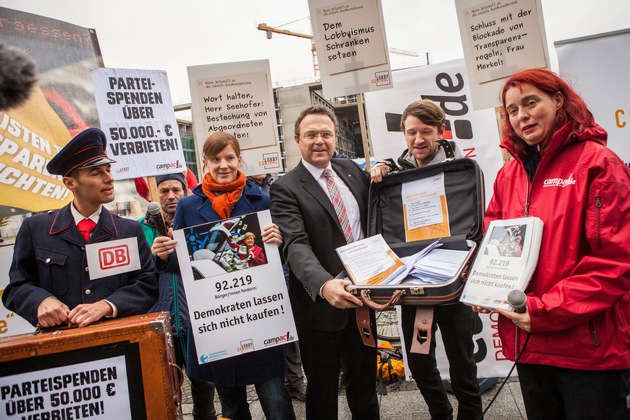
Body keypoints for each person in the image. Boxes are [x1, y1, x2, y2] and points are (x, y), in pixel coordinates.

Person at [473, 68, 630, 419]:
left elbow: (616, 262)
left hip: (588, 351)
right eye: (512, 110)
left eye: (531, 102)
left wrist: (546, 310)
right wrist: (484, 287)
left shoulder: (599, 164)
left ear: (558, 101)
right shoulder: (509, 174)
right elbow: (495, 239)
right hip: (529, 345)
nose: (521, 115)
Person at [151, 132, 295, 420]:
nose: (223, 165)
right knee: (232, 408)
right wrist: (165, 256)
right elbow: (185, 266)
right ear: (205, 163)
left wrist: (279, 240)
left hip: (258, 318)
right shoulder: (188, 206)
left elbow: (280, 258)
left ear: (239, 159)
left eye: (229, 158)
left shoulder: (262, 200)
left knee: (277, 404)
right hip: (219, 323)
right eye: (216, 159)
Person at [370, 99, 483, 420]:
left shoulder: (460, 169)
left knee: (462, 362)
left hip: (454, 280)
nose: (418, 139)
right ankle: (440, 413)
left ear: (440, 131)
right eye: (411, 132)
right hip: (415, 282)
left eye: (425, 131)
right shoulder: (395, 170)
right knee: (419, 361)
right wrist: (380, 168)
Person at [270, 105, 380, 419]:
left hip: (364, 298)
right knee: (322, 391)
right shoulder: (285, 187)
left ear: (335, 139)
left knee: (364, 387)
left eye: (326, 134)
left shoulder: (351, 171)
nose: (320, 140)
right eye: (311, 134)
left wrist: (383, 173)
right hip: (320, 307)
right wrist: (324, 284)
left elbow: (375, 217)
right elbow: (296, 245)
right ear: (297, 140)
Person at [2, 128, 158, 328]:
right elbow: (17, 287)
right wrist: (40, 300)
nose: (109, 178)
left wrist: (107, 305)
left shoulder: (128, 231)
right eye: (96, 173)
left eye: (108, 170)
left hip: (121, 341)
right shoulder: (36, 229)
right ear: (70, 183)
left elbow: (148, 284)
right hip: (61, 346)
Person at [138, 172, 217, 420]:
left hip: (197, 320)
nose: (171, 196)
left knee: (205, 388)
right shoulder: (139, 230)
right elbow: (136, 276)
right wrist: (155, 257)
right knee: (164, 391)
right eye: (164, 191)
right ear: (154, 195)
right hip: (159, 323)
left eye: (176, 190)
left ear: (185, 192)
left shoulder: (197, 223)